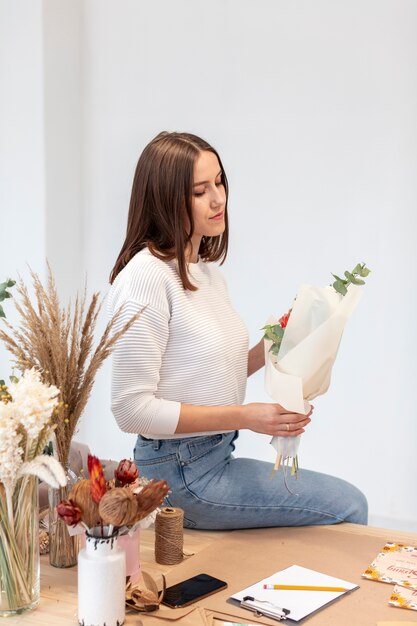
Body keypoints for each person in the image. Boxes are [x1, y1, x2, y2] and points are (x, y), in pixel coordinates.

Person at [108, 131, 368, 530]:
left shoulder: (207, 275)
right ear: (164, 199)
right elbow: (131, 410)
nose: (218, 199)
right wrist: (247, 417)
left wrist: (278, 340)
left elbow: (206, 374)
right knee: (349, 505)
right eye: (199, 191)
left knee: (348, 503)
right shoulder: (146, 278)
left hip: (211, 458)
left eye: (219, 182)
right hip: (180, 476)